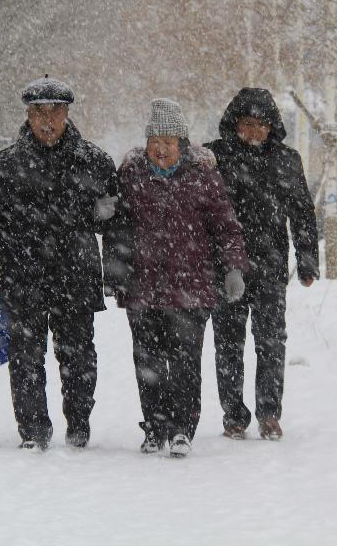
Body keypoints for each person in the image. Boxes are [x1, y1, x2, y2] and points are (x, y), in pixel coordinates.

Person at [0, 77, 118, 452]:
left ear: (67, 113)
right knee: (25, 358)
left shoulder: (95, 161)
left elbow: (117, 225)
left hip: (76, 273)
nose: (46, 120)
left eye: (54, 112)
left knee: (78, 355)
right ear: (28, 116)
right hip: (24, 274)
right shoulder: (8, 164)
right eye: (38, 112)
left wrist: (112, 249)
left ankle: (79, 422)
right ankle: (33, 430)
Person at [103, 98, 248, 458]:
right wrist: (114, 270)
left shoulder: (203, 176)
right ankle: (154, 428)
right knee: (148, 362)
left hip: (191, 288)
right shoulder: (132, 174)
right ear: (147, 143)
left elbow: (226, 226)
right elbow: (117, 229)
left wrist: (233, 268)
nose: (161, 149)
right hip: (143, 288)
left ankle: (182, 428)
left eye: (168, 142)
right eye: (155, 142)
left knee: (185, 362)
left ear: (181, 144)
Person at [203, 88, 320, 441]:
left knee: (271, 341)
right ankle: (234, 416)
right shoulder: (214, 156)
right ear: (234, 123)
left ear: (273, 127)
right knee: (228, 343)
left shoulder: (287, 160)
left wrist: (307, 257)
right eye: (248, 124)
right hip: (227, 266)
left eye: (262, 125)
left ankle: (269, 413)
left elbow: (302, 212)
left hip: (270, 266)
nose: (255, 132)